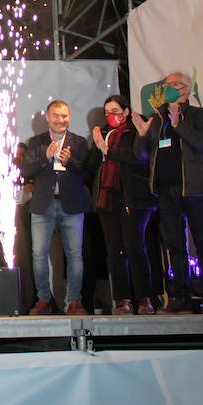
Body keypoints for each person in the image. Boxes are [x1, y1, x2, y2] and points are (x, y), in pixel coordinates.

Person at [133, 71, 203, 314]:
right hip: (165, 191)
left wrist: (179, 124)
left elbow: (202, 144)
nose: (170, 87)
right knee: (175, 246)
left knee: (202, 244)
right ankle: (181, 296)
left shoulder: (199, 115)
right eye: (167, 84)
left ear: (187, 90)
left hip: (194, 190)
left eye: (176, 84)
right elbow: (142, 156)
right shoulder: (158, 118)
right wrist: (141, 136)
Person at [19, 99, 95, 315]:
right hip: (43, 204)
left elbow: (86, 172)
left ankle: (74, 301)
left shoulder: (78, 142)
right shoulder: (36, 142)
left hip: (72, 205)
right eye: (57, 116)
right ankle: (43, 300)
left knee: (74, 254)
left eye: (65, 116)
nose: (61, 120)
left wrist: (70, 161)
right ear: (48, 117)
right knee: (39, 254)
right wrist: (46, 157)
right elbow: (26, 171)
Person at [91, 95, 157, 315]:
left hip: (133, 197)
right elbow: (91, 164)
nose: (112, 115)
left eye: (116, 110)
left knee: (135, 247)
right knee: (115, 250)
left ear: (126, 111)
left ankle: (145, 298)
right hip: (108, 200)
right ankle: (122, 300)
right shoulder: (103, 133)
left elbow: (138, 156)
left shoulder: (135, 131)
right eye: (107, 112)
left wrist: (108, 150)